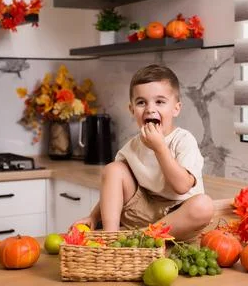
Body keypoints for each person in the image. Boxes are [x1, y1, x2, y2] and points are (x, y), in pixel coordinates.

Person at [73, 64, 214, 241]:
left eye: (160, 102)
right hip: (143, 212)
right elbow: (113, 188)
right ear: (132, 110)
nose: (150, 109)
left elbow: (182, 186)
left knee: (204, 206)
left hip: (178, 216)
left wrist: (160, 148)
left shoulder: (184, 140)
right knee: (113, 169)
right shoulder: (132, 146)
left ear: (176, 108)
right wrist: (93, 217)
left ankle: (143, 239)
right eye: (141, 102)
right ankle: (111, 238)